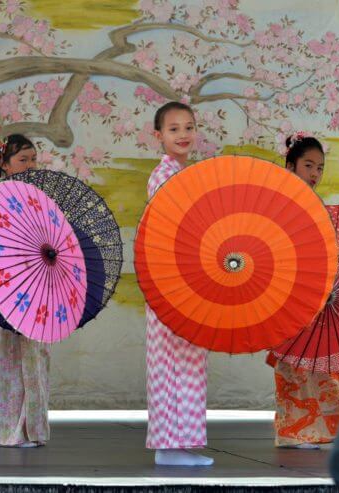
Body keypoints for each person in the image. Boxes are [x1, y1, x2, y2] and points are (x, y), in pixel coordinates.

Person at [267, 133, 339, 448]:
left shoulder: (311, 201)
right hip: (288, 292)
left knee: (320, 359)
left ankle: (330, 428)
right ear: (290, 165)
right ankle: (294, 430)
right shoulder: (279, 200)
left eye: (320, 167)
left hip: (313, 292)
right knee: (294, 362)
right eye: (308, 165)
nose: (315, 173)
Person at [145, 102, 212, 466]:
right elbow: (169, 228)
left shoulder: (181, 172)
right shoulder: (165, 174)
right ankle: (168, 445)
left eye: (188, 127)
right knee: (172, 358)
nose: (183, 135)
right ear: (158, 136)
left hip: (185, 276)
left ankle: (177, 442)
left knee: (187, 358)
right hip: (171, 277)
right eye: (173, 129)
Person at [0, 134, 50, 448]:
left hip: (38, 286)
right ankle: (7, 432)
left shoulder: (41, 198)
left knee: (37, 359)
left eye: (33, 159)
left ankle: (33, 429)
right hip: (5, 288)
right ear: (3, 165)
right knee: (7, 359)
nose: (30, 165)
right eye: (22, 160)